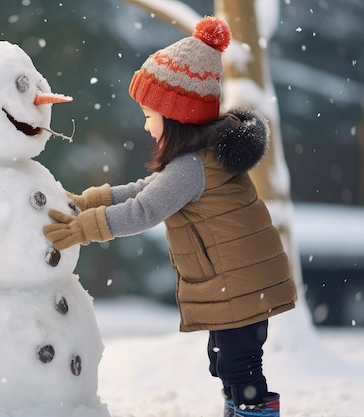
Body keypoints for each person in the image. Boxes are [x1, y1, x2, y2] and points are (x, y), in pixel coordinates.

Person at [43, 16, 297, 417]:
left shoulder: (190, 167)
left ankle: (252, 410)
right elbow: (147, 190)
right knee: (226, 361)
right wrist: (89, 201)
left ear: (176, 114)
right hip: (241, 283)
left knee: (237, 365)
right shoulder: (195, 159)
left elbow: (145, 209)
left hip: (238, 284)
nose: (145, 124)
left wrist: (83, 229)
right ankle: (241, 407)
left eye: (149, 114)